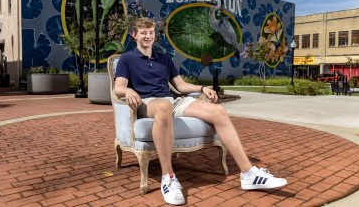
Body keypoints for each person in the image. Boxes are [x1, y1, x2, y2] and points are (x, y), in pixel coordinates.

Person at [114, 17, 287, 205]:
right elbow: (118, 88)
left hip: (172, 101)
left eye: (151, 33)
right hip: (147, 103)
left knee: (218, 111)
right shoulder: (127, 58)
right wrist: (128, 90)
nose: (147, 36)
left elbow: (179, 85)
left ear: (154, 35)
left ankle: (249, 174)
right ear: (135, 36)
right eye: (143, 33)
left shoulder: (164, 59)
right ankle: (168, 178)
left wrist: (202, 88)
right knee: (163, 106)